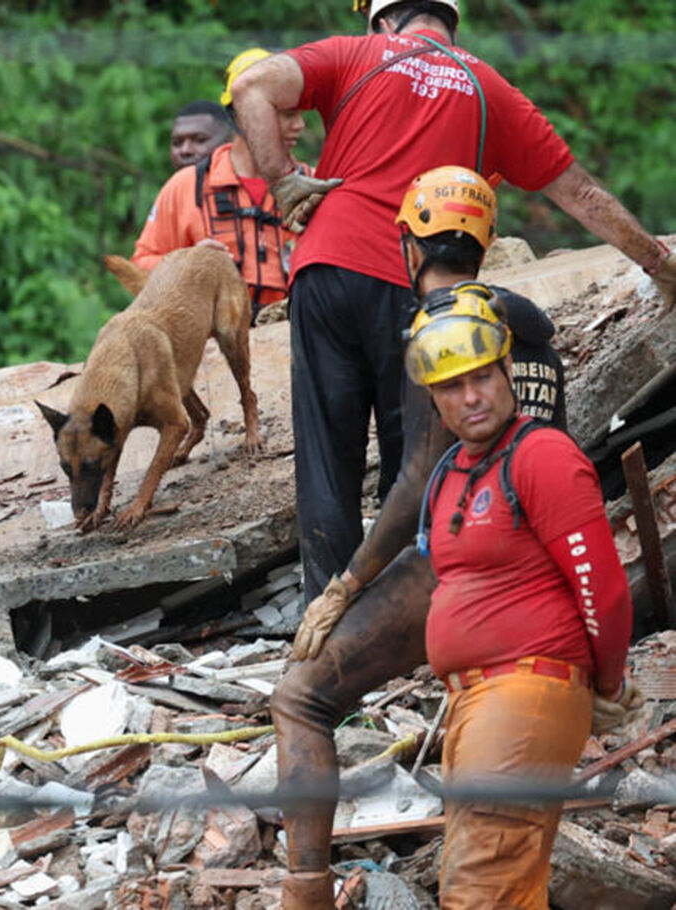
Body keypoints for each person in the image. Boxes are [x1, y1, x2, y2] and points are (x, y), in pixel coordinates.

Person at [229, 0, 676, 602]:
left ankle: (322, 630)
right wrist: (659, 263)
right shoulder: (489, 87)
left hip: (326, 268)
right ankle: (396, 622)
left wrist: (283, 180)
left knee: (325, 464)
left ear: (383, 22)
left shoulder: (354, 54)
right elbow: (581, 193)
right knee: (410, 461)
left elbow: (252, 86)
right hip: (413, 285)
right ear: (451, 21)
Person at [269, 166, 574, 908]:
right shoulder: (527, 321)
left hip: (470, 556)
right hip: (544, 565)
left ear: (407, 243)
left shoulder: (438, 323)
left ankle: (304, 890)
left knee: (301, 698)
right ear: (488, 240)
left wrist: (344, 586)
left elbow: (414, 481)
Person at [404, 280, 635, 908]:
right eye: (452, 386)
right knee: (505, 885)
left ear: (509, 367)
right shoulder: (454, 470)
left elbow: (604, 588)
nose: (471, 397)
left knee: (481, 891)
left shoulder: (542, 457)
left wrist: (607, 683)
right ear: (433, 396)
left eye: (483, 376)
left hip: (523, 692)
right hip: (476, 703)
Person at [133, 49, 308, 317]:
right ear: (244, 114)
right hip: (213, 346)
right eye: (287, 114)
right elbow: (137, 271)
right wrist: (186, 266)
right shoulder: (187, 187)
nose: (300, 125)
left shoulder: (313, 185)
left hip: (294, 341)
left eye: (300, 113)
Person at [168, 99, 231, 171]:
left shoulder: (244, 180)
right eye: (177, 143)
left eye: (200, 140)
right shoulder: (173, 182)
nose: (185, 150)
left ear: (228, 141)